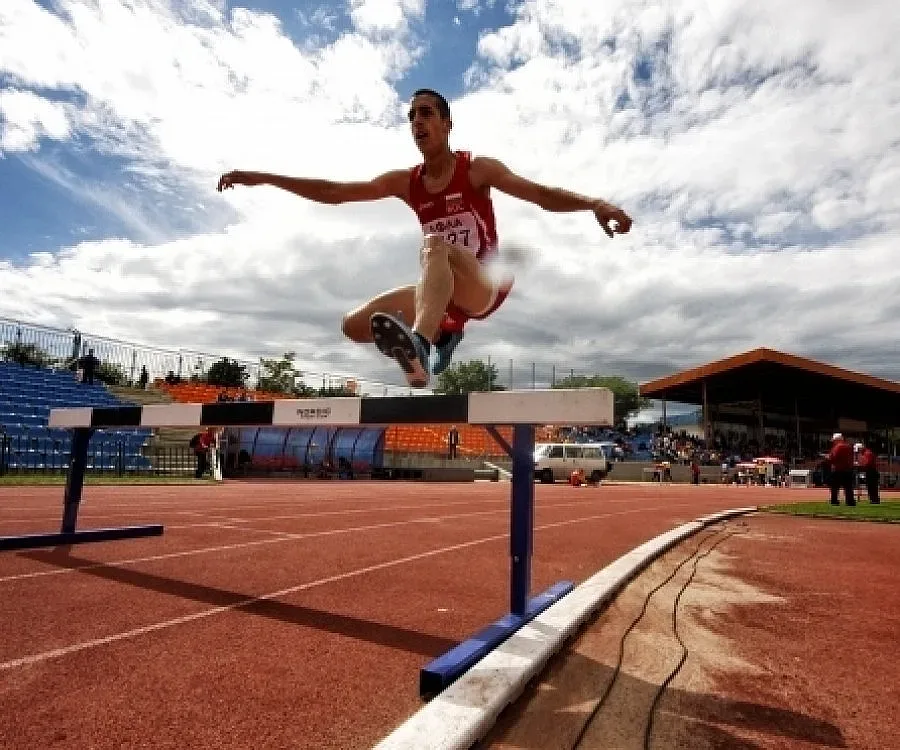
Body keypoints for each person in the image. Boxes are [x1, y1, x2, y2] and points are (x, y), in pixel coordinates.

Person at [217, 88, 632, 387]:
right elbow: (334, 192)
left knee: (434, 245)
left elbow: (540, 195)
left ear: (447, 125)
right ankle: (439, 335)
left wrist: (595, 203)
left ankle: (423, 342)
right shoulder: (406, 182)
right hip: (440, 290)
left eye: (426, 113)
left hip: (482, 285)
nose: (417, 121)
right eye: (412, 115)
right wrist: (262, 177)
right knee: (354, 325)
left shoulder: (477, 170)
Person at [827, 432, 855, 506]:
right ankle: (850, 501)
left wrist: (828, 458)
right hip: (848, 469)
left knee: (835, 487)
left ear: (837, 440)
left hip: (837, 469)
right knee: (848, 487)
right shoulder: (849, 446)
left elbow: (833, 457)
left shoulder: (837, 447)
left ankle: (834, 500)